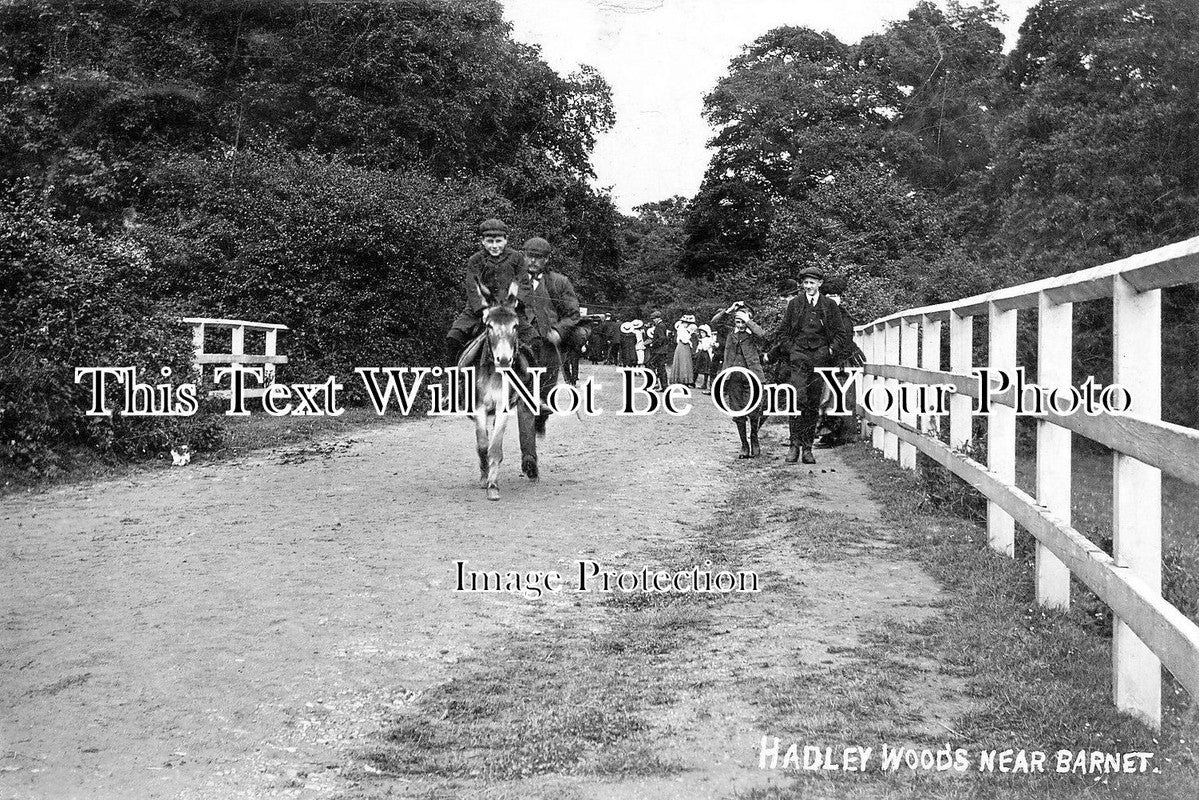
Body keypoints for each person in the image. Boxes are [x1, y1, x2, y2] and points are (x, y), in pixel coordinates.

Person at [514, 237, 579, 481]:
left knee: (544, 397)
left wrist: (559, 331)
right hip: (521, 348)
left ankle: (542, 418)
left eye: (538, 257)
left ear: (547, 259)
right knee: (526, 400)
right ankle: (529, 457)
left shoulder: (559, 282)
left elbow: (573, 314)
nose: (532, 261)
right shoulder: (514, 282)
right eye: (529, 256)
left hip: (549, 349)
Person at [774, 265, 849, 465]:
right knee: (797, 400)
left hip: (819, 359)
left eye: (812, 283)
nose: (808, 286)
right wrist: (792, 350)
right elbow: (783, 332)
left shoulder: (829, 305)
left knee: (813, 403)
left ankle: (807, 448)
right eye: (805, 283)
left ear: (819, 283)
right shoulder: (795, 304)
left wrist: (830, 351)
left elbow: (841, 334)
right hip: (799, 358)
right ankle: (794, 446)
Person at [445, 218, 530, 367]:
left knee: (534, 340)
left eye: (498, 241)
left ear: (506, 240)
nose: (494, 246)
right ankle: (453, 376)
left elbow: (523, 284)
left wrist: (516, 303)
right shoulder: (475, 260)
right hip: (478, 312)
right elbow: (473, 287)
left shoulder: (517, 258)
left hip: (510, 312)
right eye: (490, 241)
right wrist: (483, 309)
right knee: (453, 337)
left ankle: (535, 379)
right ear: (482, 241)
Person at [712, 302, 766, 458]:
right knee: (737, 411)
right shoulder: (729, 333)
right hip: (733, 377)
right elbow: (715, 322)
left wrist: (748, 321)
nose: (741, 325)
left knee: (754, 410)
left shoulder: (753, 334)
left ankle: (754, 438)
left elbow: (763, 335)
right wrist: (730, 310)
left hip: (752, 377)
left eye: (743, 322)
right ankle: (744, 444)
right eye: (738, 321)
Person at [816, 275, 862, 448]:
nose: (833, 299)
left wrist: (849, 348)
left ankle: (843, 435)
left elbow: (845, 337)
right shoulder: (821, 315)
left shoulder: (843, 316)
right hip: (826, 361)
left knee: (840, 397)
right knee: (826, 398)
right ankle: (827, 434)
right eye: (829, 296)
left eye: (836, 295)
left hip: (841, 361)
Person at [645, 310, 671, 389]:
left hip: (658, 350)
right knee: (661, 367)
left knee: (650, 364)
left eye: (654, 319)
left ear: (658, 318)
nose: (653, 320)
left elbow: (661, 338)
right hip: (662, 350)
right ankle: (664, 386)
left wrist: (653, 344)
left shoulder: (659, 326)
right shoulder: (662, 325)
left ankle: (654, 383)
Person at [669, 313, 697, 386]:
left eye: (687, 323)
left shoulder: (687, 329)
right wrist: (689, 334)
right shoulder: (681, 329)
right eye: (685, 322)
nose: (686, 324)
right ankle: (682, 379)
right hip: (682, 346)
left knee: (686, 362)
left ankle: (686, 380)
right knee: (683, 362)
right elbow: (684, 339)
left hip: (686, 347)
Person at [693, 324, 716, 392]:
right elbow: (699, 348)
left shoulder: (708, 339)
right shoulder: (701, 339)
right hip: (701, 354)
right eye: (701, 332)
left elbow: (705, 348)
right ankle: (693, 382)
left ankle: (704, 384)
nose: (702, 334)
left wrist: (702, 342)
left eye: (703, 332)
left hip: (706, 355)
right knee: (697, 368)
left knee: (706, 369)